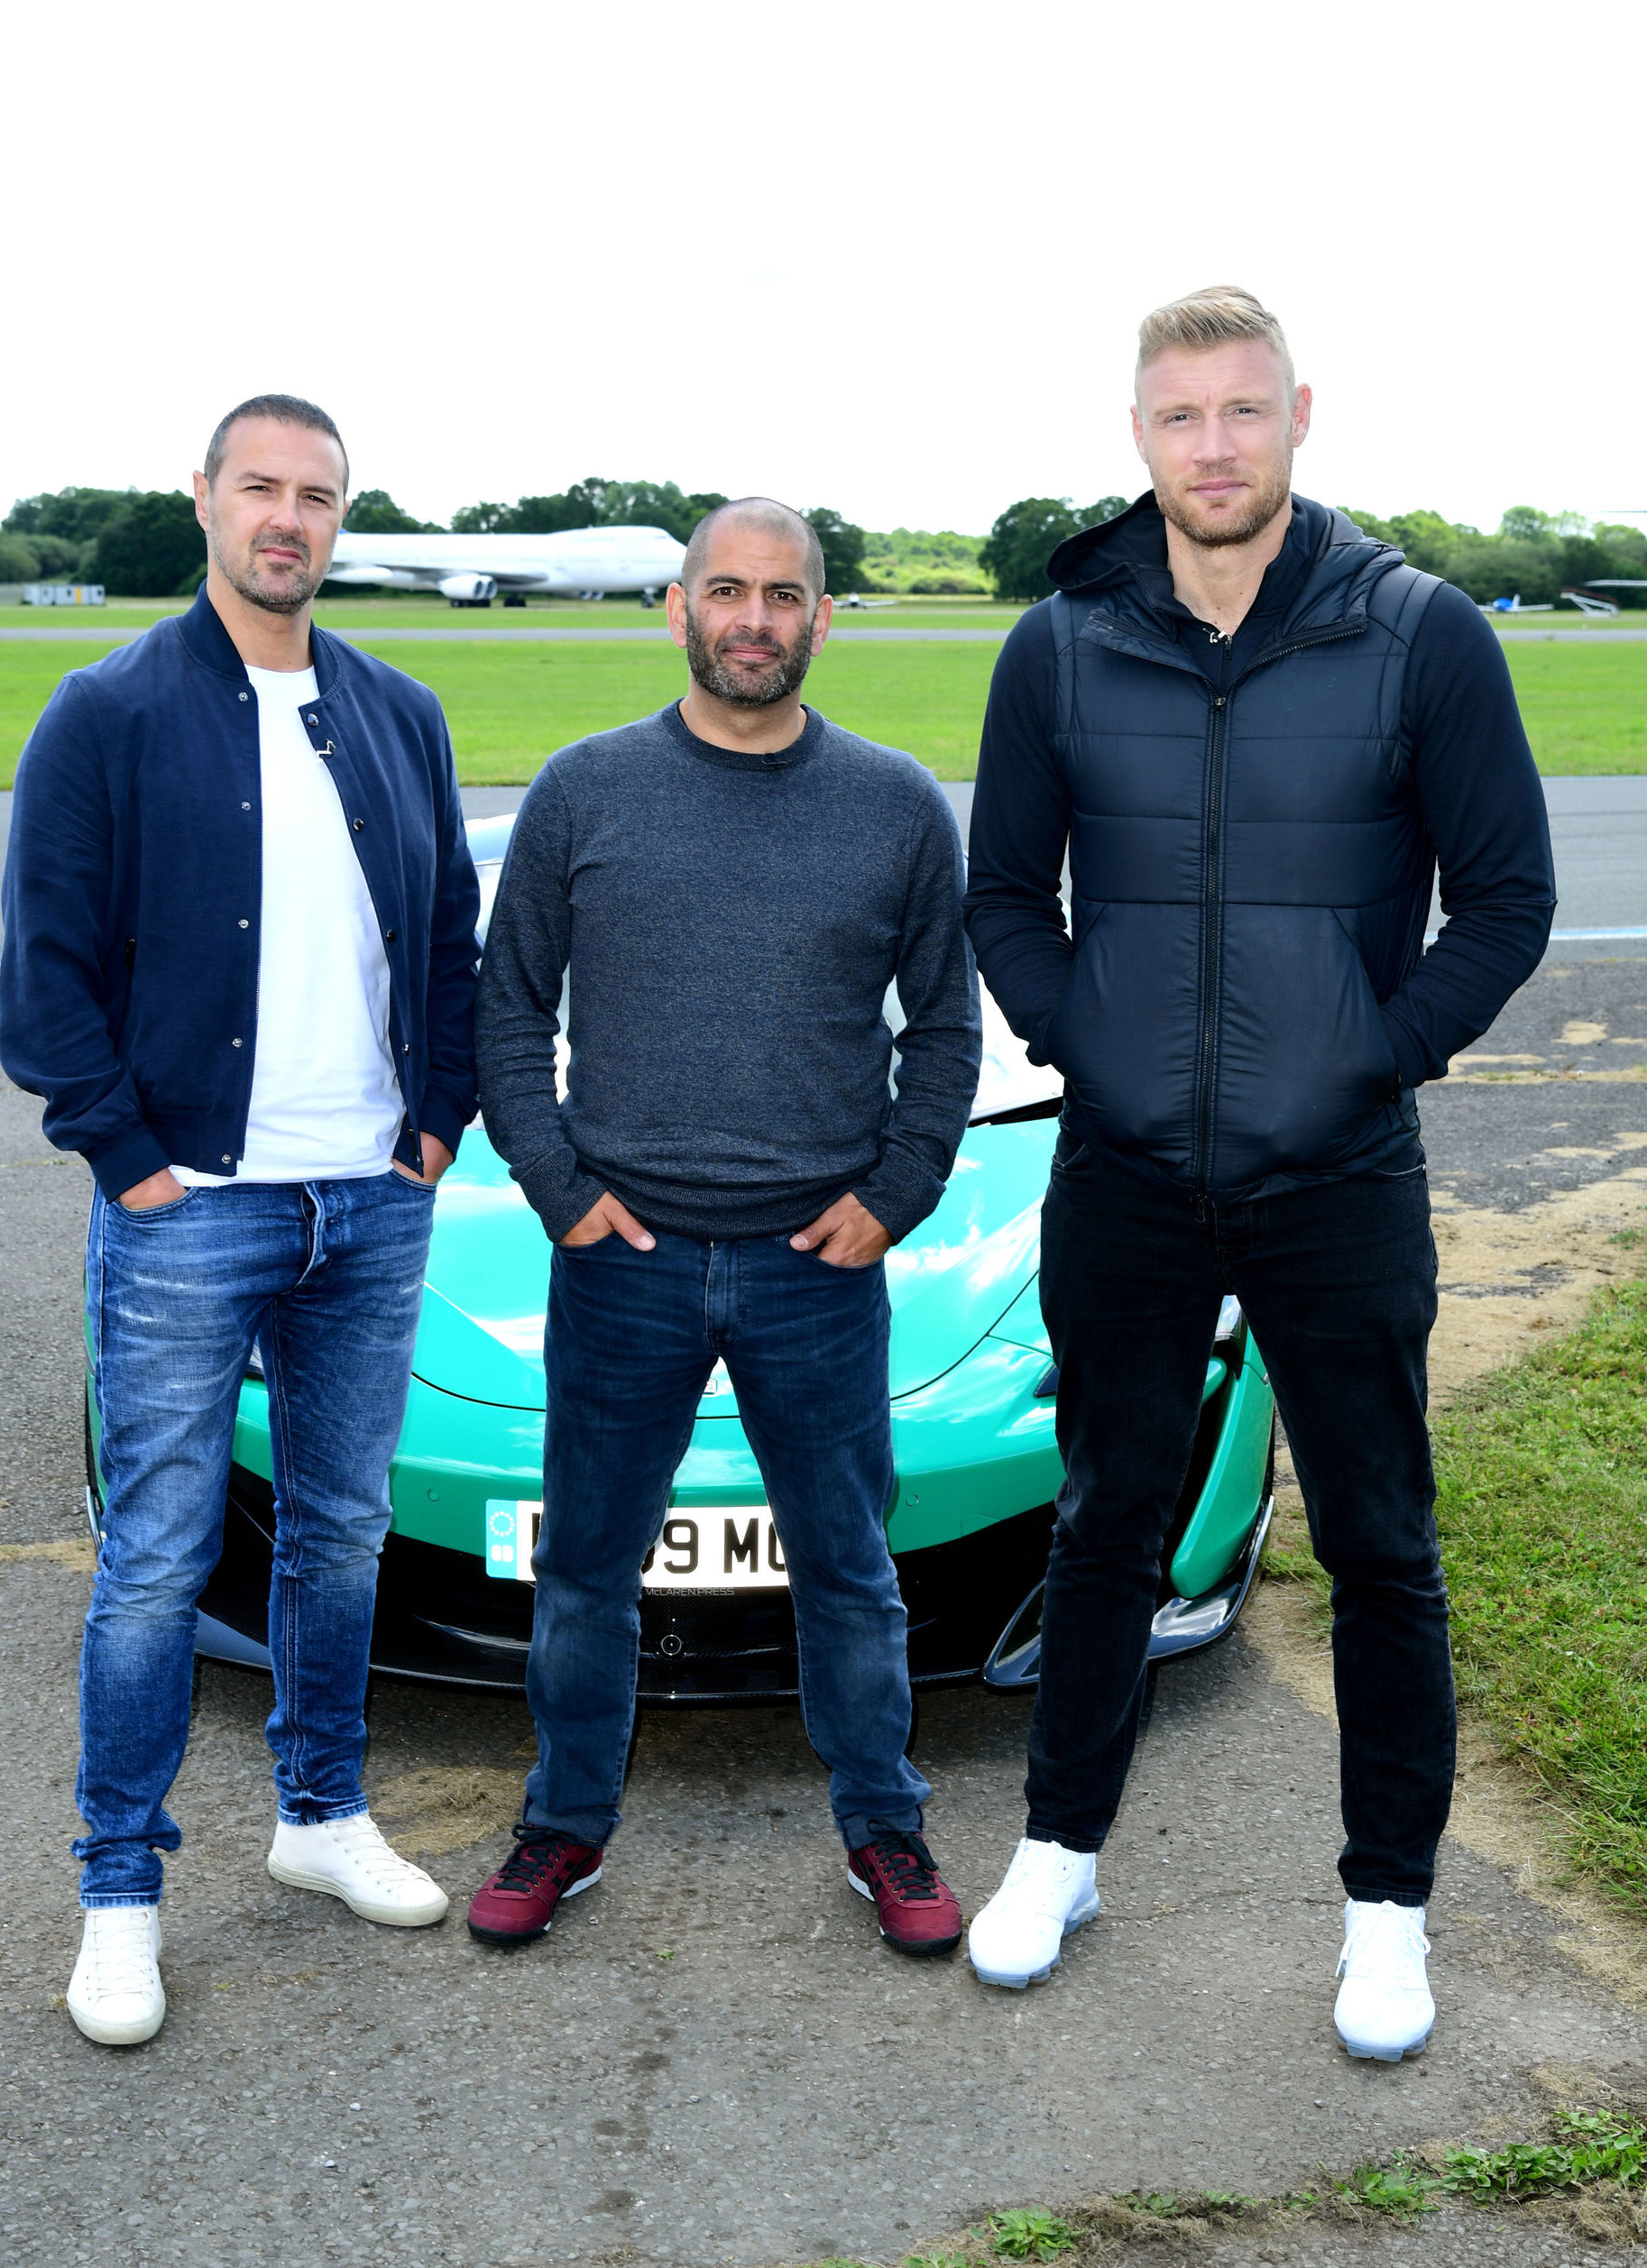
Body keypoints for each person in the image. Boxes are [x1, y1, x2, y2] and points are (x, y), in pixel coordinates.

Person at [962, 289, 1555, 2057]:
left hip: (1340, 1175)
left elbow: (1507, 898)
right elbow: (1006, 893)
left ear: (1300, 412)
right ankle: (1059, 1849)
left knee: (1382, 1547)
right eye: (1176, 418)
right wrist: (1101, 1046)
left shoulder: (1420, 631)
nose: (1211, 447)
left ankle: (1389, 1912)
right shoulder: (1061, 641)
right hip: (1129, 1176)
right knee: (1103, 1526)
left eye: (1240, 411)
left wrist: (1364, 1054)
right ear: (1136, 433)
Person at [0, 394, 482, 2046]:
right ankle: (119, 1891)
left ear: (342, 520)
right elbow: (44, 977)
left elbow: (447, 947)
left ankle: (320, 1814)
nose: (290, 518)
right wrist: (128, 1155)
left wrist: (431, 1133)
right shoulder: (109, 710)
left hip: (372, 1195)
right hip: (192, 1201)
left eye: (320, 497)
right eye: (261, 488)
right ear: (203, 499)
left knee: (342, 1533)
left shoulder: (398, 711)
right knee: (157, 1561)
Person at [472, 499, 981, 1956]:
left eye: (783, 596)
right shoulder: (585, 790)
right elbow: (508, 1006)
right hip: (623, 1263)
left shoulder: (893, 803)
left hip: (812, 1269)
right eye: (726, 591)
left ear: (823, 618)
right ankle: (564, 1825)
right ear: (677, 608)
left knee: (848, 1567)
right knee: (585, 1568)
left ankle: (884, 1826)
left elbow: (947, 1025)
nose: (753, 618)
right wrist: (561, 1189)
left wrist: (895, 1196)